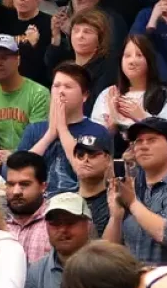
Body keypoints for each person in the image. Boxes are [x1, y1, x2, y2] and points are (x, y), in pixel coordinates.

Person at [105, 117, 167, 265]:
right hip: (132, 280)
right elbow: (107, 253)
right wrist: (116, 217)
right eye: (139, 141)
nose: (143, 146)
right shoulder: (131, 186)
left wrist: (132, 203)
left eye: (151, 140)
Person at [15, 63, 107, 195]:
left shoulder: (97, 131)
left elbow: (85, 173)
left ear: (85, 95)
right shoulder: (34, 129)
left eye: (68, 86)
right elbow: (16, 172)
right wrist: (50, 135)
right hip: (39, 204)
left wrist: (62, 130)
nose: (60, 91)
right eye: (56, 86)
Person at [0, 35, 50, 157]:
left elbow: (39, 138)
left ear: (18, 59)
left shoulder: (39, 93)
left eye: (4, 57)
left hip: (29, 160)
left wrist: (13, 155)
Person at [4, 151, 51, 263]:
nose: (16, 192)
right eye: (10, 184)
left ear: (43, 186)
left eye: (24, 184)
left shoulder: (55, 223)